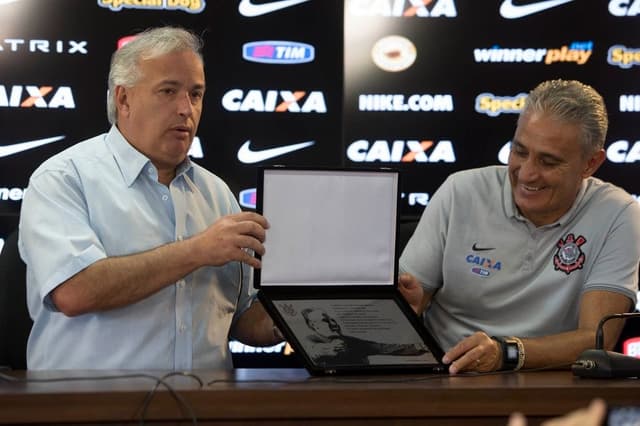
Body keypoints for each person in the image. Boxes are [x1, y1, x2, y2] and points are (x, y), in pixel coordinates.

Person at [18, 26, 283, 370]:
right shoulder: (64, 179)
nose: (185, 109)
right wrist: (197, 250)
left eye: (196, 94)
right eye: (168, 91)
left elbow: (241, 319)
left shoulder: (217, 194)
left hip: (208, 408)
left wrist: (297, 319)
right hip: (91, 411)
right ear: (123, 98)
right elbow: (74, 290)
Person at [399, 79, 640, 374]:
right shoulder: (460, 191)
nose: (527, 174)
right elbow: (411, 300)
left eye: (548, 162)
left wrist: (506, 352)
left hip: (552, 388)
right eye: (520, 152)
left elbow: (597, 338)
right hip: (446, 377)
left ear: (591, 163)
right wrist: (405, 305)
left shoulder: (619, 213)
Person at [300, 307, 429, 366]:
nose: (333, 323)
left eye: (332, 319)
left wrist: (420, 347)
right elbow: (312, 350)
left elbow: (384, 348)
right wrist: (329, 349)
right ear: (314, 326)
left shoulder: (351, 341)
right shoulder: (310, 340)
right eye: (325, 320)